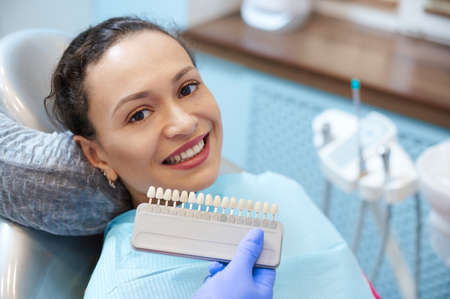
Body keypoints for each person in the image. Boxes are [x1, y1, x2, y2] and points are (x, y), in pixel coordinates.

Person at [2, 16, 380, 298]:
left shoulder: (279, 189)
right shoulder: (124, 288)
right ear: (96, 154)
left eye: (187, 88)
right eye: (140, 114)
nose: (183, 123)